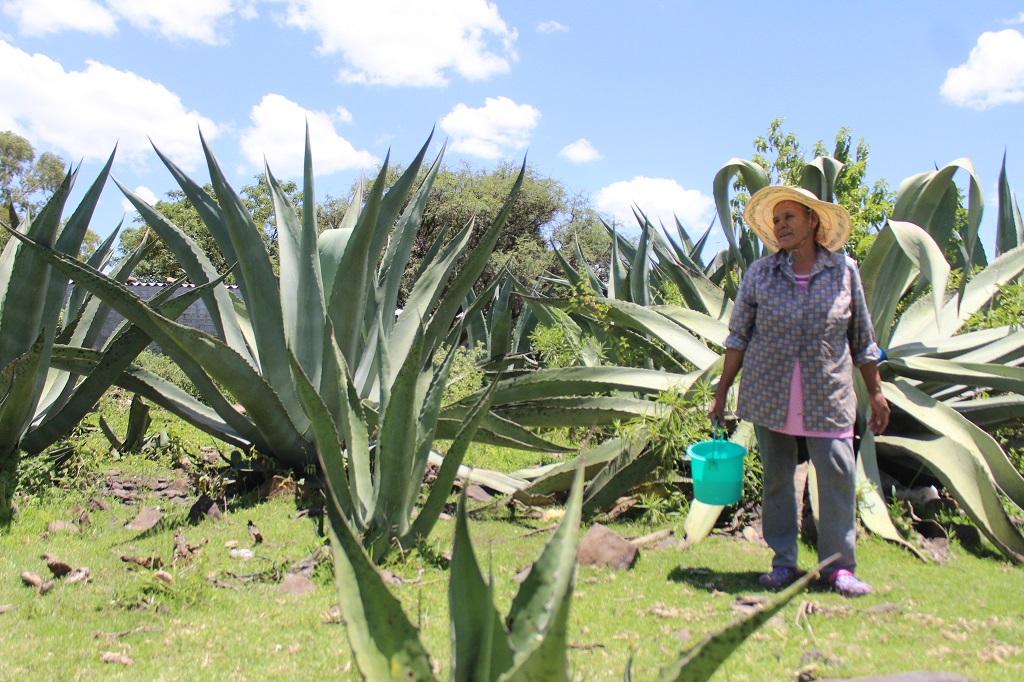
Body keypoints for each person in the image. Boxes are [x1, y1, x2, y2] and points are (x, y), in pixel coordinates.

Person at [707, 186, 889, 598]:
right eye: (776, 220)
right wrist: (721, 392)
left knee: (838, 474)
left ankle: (838, 569)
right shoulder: (760, 273)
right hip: (771, 390)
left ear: (813, 221)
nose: (781, 225)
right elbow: (738, 337)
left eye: (789, 216)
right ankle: (783, 562)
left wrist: (875, 392)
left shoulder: (845, 271)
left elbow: (862, 339)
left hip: (828, 392)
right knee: (777, 480)